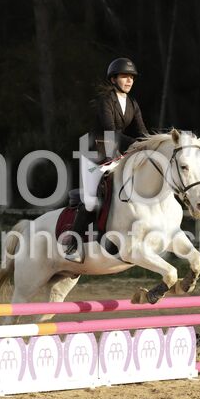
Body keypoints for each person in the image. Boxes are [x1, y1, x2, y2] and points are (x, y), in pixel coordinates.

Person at [62, 58, 149, 262]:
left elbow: (142, 132)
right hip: (95, 155)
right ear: (113, 79)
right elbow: (111, 132)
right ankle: (72, 245)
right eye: (124, 76)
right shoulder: (106, 101)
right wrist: (137, 144)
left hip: (115, 155)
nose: (129, 80)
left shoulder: (132, 104)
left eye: (132, 77)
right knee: (92, 201)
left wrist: (153, 144)